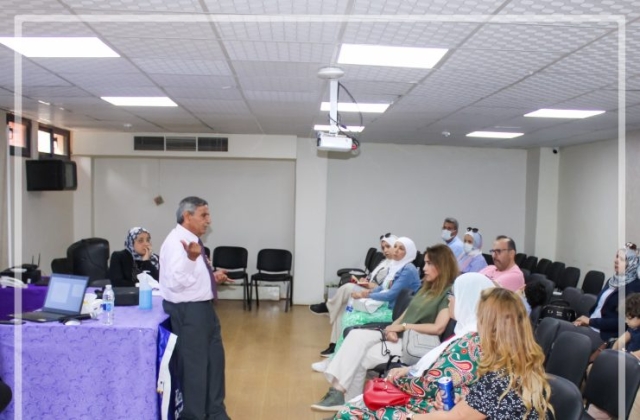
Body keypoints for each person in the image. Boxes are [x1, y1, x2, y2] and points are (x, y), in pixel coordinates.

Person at [311, 244, 458, 412]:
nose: (424, 268)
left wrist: (402, 327)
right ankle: (343, 400)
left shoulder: (447, 293)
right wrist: (392, 327)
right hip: (402, 335)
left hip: (414, 345)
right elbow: (407, 312)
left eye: (429, 263)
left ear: (442, 265)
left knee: (362, 356)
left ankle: (344, 401)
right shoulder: (428, 287)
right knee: (356, 337)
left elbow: (438, 328)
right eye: (424, 263)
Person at [332, 272, 494, 419]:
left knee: (350, 413)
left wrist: (398, 380)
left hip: (431, 406)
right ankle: (340, 392)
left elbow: (433, 383)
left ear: (468, 298)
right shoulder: (466, 331)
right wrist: (409, 371)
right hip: (432, 399)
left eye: (453, 294)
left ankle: (341, 396)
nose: (449, 299)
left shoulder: (472, 341)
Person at [414, 288, 552, 420]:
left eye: (479, 318)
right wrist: (466, 402)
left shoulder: (499, 378)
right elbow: (488, 405)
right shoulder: (520, 365)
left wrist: (408, 417)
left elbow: (454, 418)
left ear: (489, 327)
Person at [159, 196, 231, 420]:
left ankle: (215, 413)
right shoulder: (176, 243)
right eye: (203, 215)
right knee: (195, 369)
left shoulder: (194, 242)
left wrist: (211, 277)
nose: (208, 220)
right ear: (187, 216)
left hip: (204, 309)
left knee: (214, 363)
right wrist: (191, 259)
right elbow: (175, 282)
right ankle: (193, 416)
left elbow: (190, 278)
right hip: (189, 312)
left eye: (208, 215)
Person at [329, 237, 422, 356]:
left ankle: (340, 357)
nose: (396, 250)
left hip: (395, 312)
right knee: (348, 314)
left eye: (401, 248)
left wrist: (369, 295)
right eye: (396, 246)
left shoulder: (408, 269)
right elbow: (383, 288)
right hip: (387, 306)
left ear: (409, 252)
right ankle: (338, 356)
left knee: (352, 319)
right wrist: (365, 294)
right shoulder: (395, 265)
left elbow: (390, 294)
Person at [310, 234, 399, 358]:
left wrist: (368, 286)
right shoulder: (385, 263)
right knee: (341, 308)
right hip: (370, 290)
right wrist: (365, 280)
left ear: (396, 246)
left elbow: (386, 289)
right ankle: (334, 344)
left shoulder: (398, 267)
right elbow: (375, 280)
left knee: (347, 288)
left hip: (378, 299)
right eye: (383, 247)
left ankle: (328, 306)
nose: (385, 250)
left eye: (388, 246)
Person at [574, 247, 640, 351]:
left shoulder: (633, 287)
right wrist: (584, 320)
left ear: (631, 264)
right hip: (591, 325)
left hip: (603, 334)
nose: (616, 260)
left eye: (622, 259)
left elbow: (621, 322)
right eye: (617, 256)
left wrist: (590, 321)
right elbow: (598, 307)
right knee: (557, 328)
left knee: (560, 330)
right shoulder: (612, 280)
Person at [612, 293, 640, 357]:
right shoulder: (634, 327)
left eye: (629, 318)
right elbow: (620, 341)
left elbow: (634, 356)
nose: (626, 321)